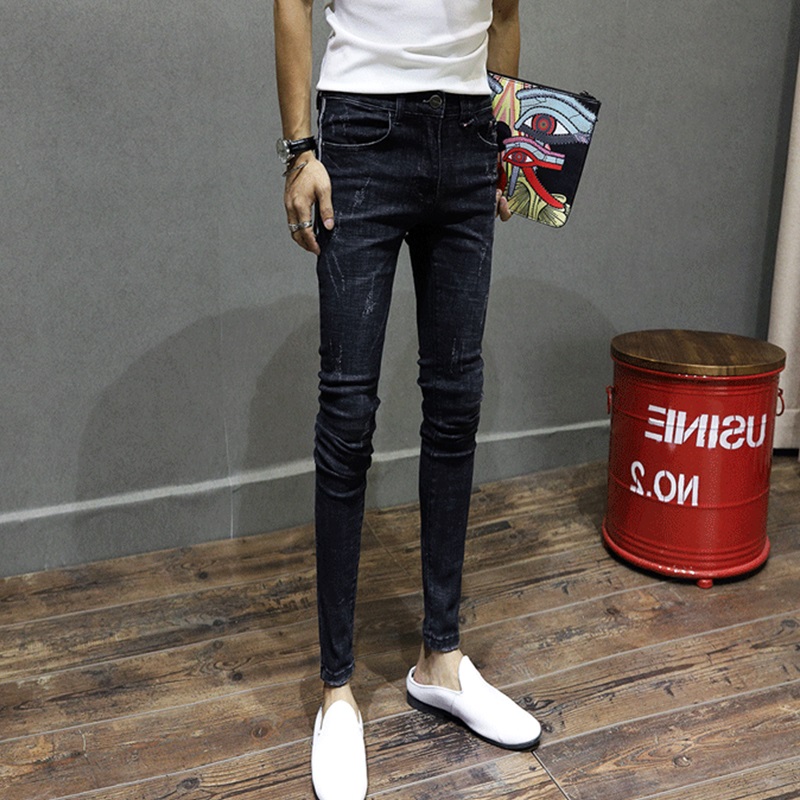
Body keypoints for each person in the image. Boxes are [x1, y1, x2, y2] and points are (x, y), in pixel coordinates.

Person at [274, 2, 541, 798]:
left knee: (456, 403)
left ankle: (441, 661)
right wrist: (299, 150)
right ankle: (336, 691)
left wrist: (507, 140)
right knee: (348, 414)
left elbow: (505, 13)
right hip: (361, 134)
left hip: (469, 135)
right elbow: (291, 4)